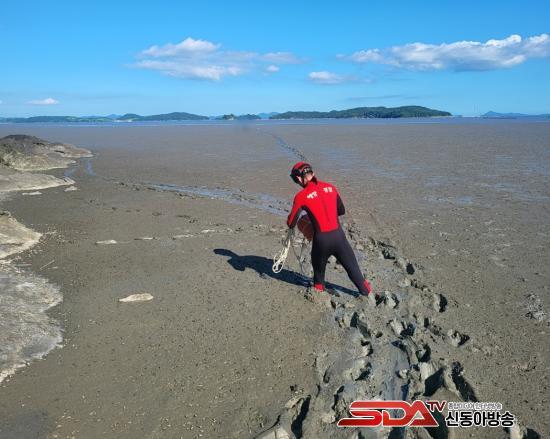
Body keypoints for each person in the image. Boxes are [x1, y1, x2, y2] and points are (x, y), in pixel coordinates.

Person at [287, 162, 372, 296]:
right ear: (313, 173)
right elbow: (341, 210)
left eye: (294, 180)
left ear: (298, 178)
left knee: (318, 280)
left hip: (321, 242)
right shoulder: (331, 187)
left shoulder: (301, 196)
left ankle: (319, 290)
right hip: (340, 239)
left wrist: (309, 219)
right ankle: (367, 293)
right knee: (358, 277)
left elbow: (291, 223)